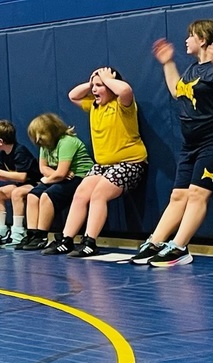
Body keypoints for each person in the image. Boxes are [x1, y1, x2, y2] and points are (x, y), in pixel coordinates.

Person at [130, 19, 213, 266]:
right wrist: (168, 62)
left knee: (197, 193)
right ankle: (155, 241)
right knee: (178, 195)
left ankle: (179, 247)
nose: (186, 40)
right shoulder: (192, 70)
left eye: (190, 36)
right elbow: (178, 91)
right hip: (190, 144)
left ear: (203, 39)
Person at [41, 67, 148, 256]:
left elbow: (125, 91)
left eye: (100, 86)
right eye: (94, 86)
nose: (94, 90)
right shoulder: (94, 106)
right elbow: (73, 95)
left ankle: (90, 241)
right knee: (81, 193)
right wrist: (92, 82)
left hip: (130, 163)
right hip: (103, 166)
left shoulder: (122, 105)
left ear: (110, 86)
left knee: (98, 194)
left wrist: (107, 79)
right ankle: (67, 240)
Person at [12, 113, 94, 251]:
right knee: (32, 195)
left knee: (46, 196)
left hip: (80, 177)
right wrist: (53, 176)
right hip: (61, 176)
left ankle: (43, 235)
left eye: (41, 134)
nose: (37, 140)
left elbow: (61, 174)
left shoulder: (67, 141)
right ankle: (33, 234)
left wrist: (51, 178)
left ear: (52, 130)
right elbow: (43, 168)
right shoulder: (45, 145)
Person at [0, 120, 37, 248]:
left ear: (0, 141)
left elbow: (23, 176)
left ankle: (18, 232)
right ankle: (0, 229)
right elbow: (5, 176)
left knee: (16, 193)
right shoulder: (3, 154)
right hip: (22, 184)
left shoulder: (20, 151)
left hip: (35, 184)